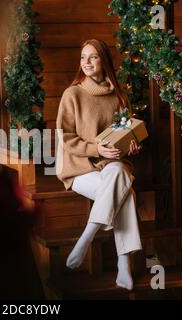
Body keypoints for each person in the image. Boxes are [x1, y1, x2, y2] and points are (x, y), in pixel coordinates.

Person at [55, 39, 144, 290]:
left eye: (93, 57)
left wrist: (132, 145)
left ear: (103, 60)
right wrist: (96, 149)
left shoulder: (119, 95)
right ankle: (123, 264)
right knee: (127, 194)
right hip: (79, 167)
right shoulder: (72, 94)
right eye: (83, 57)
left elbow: (124, 133)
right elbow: (66, 138)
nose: (86, 63)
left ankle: (87, 236)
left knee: (118, 174)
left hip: (112, 165)